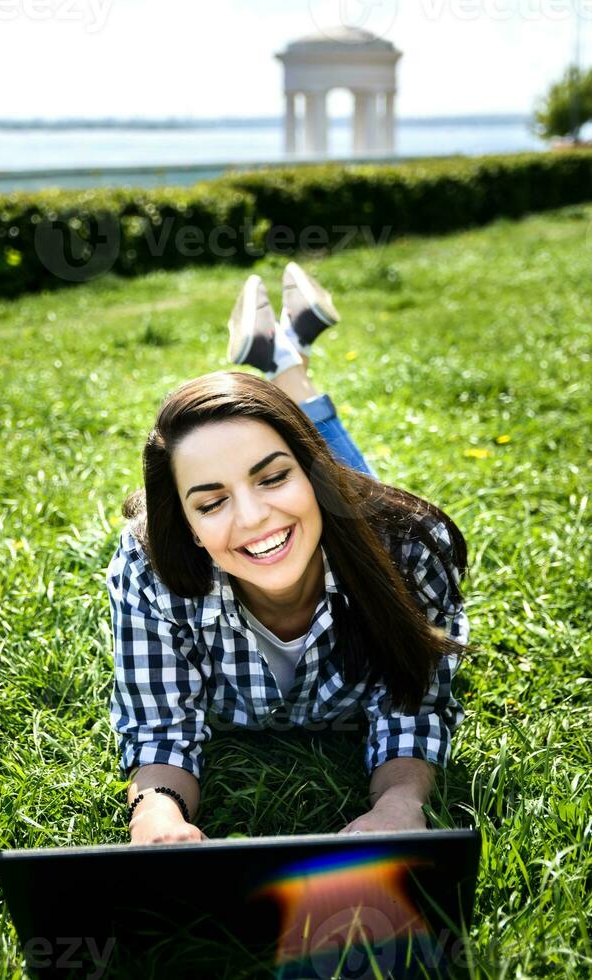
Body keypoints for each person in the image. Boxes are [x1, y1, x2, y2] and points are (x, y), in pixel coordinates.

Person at [108, 262, 473, 846]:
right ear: (187, 524)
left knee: (361, 505)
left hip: (354, 523)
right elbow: (158, 726)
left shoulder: (407, 549)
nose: (251, 519)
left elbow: (415, 706)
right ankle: (287, 355)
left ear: (311, 472)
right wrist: (158, 816)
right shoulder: (149, 567)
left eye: (274, 478)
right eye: (211, 502)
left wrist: (401, 803)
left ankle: (287, 361)